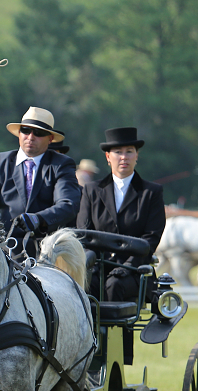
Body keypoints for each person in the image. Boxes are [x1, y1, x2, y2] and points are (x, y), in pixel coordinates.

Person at [76, 127, 166, 303]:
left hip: (135, 270)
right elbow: (84, 233)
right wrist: (93, 264)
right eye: (118, 152)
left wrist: (128, 266)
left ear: (136, 156)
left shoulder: (151, 192)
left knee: (115, 284)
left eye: (129, 152)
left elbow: (151, 238)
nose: (124, 157)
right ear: (108, 157)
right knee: (86, 285)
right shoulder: (92, 190)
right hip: (97, 267)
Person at [0, 106, 81, 257]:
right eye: (26, 130)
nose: (31, 137)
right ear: (19, 133)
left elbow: (68, 204)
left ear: (50, 139)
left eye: (38, 133)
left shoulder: (61, 164)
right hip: (4, 249)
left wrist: (39, 219)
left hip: (49, 251)